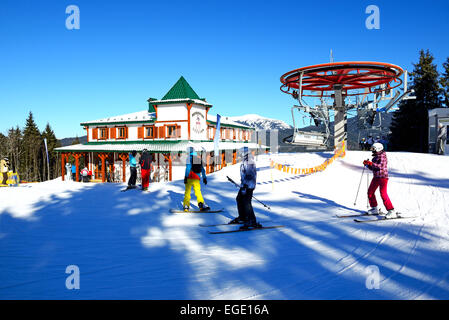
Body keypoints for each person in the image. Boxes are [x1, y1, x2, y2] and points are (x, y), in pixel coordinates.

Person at [363, 142, 398, 219]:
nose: (372, 151)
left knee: (383, 193)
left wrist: (371, 163)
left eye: (373, 149)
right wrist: (368, 165)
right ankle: (374, 208)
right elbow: (374, 168)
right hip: (376, 177)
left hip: (383, 177)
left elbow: (380, 166)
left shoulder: (383, 156)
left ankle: (391, 211)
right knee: (370, 192)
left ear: (378, 149)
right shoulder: (375, 157)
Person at [230, 147, 262, 229]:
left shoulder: (249, 161)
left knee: (246, 202)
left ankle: (251, 220)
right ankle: (243, 217)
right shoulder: (246, 160)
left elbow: (250, 174)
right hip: (245, 184)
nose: (239, 155)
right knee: (239, 199)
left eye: (240, 153)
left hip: (248, 185)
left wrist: (245, 185)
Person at [183, 147, 209, 212]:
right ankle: (201, 205)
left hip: (189, 177)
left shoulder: (189, 158)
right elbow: (202, 169)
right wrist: (204, 178)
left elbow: (188, 168)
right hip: (196, 178)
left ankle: (186, 205)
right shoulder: (198, 158)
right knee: (198, 192)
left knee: (187, 192)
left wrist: (186, 177)